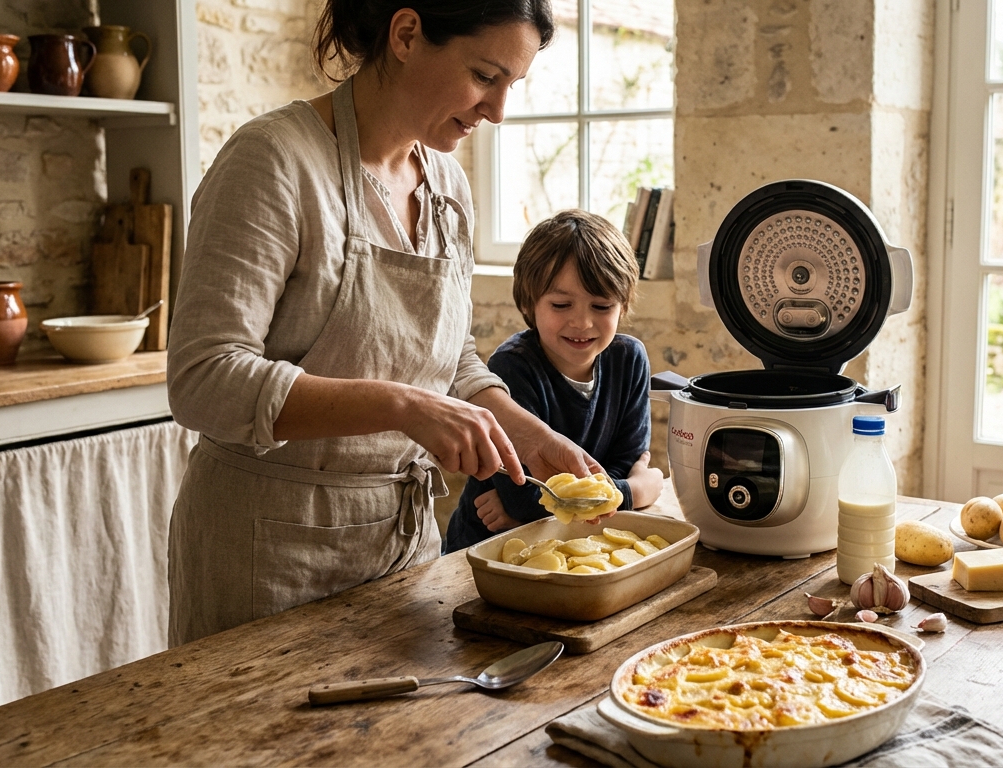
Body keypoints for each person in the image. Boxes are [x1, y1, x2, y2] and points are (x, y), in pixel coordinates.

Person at [165, 0, 598, 646]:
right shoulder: (274, 162)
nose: (498, 112)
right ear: (405, 33)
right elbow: (203, 378)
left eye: (512, 85)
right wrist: (403, 406)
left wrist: (528, 434)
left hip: (400, 550)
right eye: (485, 76)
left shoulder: (448, 186)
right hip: (267, 555)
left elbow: (449, 360)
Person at [444, 210, 666, 553]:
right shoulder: (512, 366)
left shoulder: (629, 358)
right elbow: (522, 497)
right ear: (529, 303)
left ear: (622, 307)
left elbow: (629, 458)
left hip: (574, 545)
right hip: (488, 547)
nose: (582, 322)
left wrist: (556, 507)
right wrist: (635, 491)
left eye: (602, 306)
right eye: (561, 304)